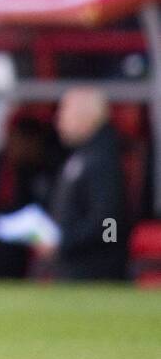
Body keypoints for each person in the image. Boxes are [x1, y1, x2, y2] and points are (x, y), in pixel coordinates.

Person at [43, 87, 130, 281]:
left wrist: (65, 242)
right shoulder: (84, 155)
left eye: (65, 111)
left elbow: (109, 220)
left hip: (94, 272)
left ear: (87, 115)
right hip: (78, 266)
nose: (58, 120)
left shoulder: (103, 159)